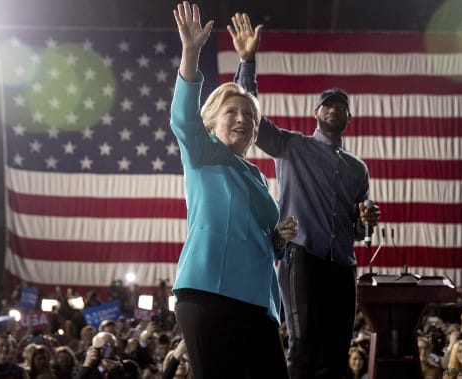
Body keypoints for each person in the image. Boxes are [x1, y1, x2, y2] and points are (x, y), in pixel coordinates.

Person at [227, 12, 380, 379]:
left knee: (336, 352)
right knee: (304, 345)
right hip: (302, 257)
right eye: (328, 103)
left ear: (348, 118)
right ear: (316, 113)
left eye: (341, 105)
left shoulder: (358, 169)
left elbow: (359, 232)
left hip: (342, 264)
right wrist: (247, 62)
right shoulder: (293, 146)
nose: (334, 108)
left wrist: (367, 220)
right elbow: (253, 122)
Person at [170, 3, 298, 379]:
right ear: (211, 120)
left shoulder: (258, 178)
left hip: (259, 304)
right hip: (209, 294)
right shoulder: (202, 153)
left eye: (249, 116)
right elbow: (182, 116)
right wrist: (191, 51)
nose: (242, 119)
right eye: (232, 112)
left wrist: (279, 237)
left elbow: (269, 245)